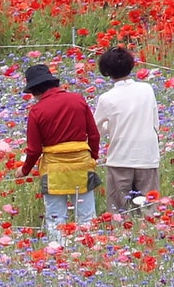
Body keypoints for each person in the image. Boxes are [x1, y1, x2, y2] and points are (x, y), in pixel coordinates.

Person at [19, 61, 99, 233]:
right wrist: (93, 157)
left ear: (34, 90)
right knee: (87, 217)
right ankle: (91, 253)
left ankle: (57, 254)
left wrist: (24, 170)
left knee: (56, 218)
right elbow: (94, 135)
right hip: (82, 166)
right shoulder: (77, 100)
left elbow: (34, 149)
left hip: (54, 169)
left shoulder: (37, 111)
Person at [94, 46, 159, 217]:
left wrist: (111, 128)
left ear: (107, 71)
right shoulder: (147, 89)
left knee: (120, 211)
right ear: (131, 65)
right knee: (149, 209)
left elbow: (96, 130)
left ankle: (124, 240)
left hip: (120, 158)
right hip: (147, 156)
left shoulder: (107, 98)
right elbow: (155, 122)